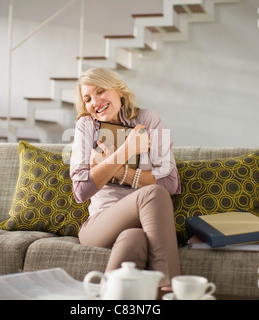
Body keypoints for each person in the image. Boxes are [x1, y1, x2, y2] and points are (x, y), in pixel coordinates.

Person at [69, 67, 181, 291]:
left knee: (135, 239)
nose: (95, 102)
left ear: (119, 91)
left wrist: (117, 171)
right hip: (100, 224)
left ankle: (105, 298)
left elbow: (171, 183)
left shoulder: (148, 119)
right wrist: (127, 150)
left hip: (142, 225)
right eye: (88, 98)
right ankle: (169, 288)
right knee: (153, 192)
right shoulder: (86, 126)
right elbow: (80, 191)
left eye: (101, 91)